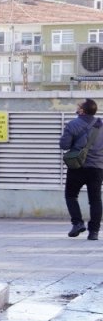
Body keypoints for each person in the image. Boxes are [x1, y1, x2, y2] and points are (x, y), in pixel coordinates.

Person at [60, 98, 103, 240]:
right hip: (97, 168)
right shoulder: (101, 125)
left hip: (77, 167)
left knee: (71, 195)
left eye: (78, 106)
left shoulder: (73, 124)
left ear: (82, 110)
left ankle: (78, 223)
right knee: (95, 200)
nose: (76, 107)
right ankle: (94, 232)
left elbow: (64, 145)